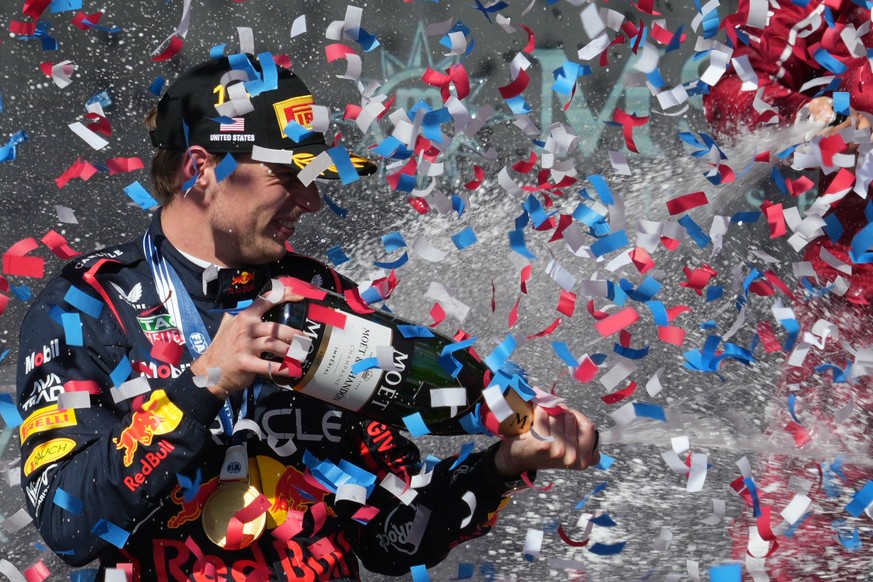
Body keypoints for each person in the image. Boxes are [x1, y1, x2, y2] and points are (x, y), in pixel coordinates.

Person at [16, 53, 601, 581]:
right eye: (289, 176)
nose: (312, 199)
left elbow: (392, 538)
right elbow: (68, 527)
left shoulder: (321, 298)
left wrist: (502, 465)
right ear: (201, 170)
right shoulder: (87, 303)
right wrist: (201, 386)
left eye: (315, 177)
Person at [705, 2, 872, 580]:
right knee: (794, 541)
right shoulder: (828, 10)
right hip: (850, 335)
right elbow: (730, 93)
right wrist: (804, 111)